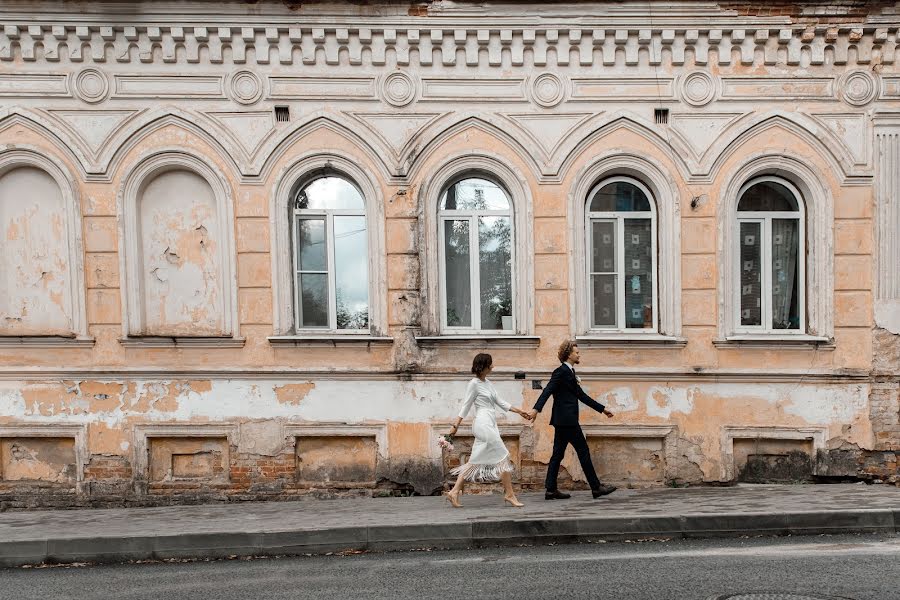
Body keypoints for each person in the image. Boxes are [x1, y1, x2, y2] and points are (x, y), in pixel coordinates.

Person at [528, 340, 617, 500]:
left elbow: (581, 396)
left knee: (557, 454)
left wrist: (602, 409)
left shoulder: (569, 372)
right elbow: (548, 390)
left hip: (562, 421)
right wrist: (536, 410)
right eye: (576, 352)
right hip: (567, 421)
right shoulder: (560, 372)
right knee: (583, 452)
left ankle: (550, 489)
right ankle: (596, 488)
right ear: (569, 354)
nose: (579, 354)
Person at [445, 353, 534, 508]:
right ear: (483, 366)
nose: (493, 367)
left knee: (474, 461)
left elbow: (500, 402)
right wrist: (455, 426)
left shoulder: (488, 383)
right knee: (503, 456)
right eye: (490, 364)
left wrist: (519, 411)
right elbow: (466, 406)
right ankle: (509, 494)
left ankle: (454, 492)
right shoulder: (473, 384)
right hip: (482, 424)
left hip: (489, 424)